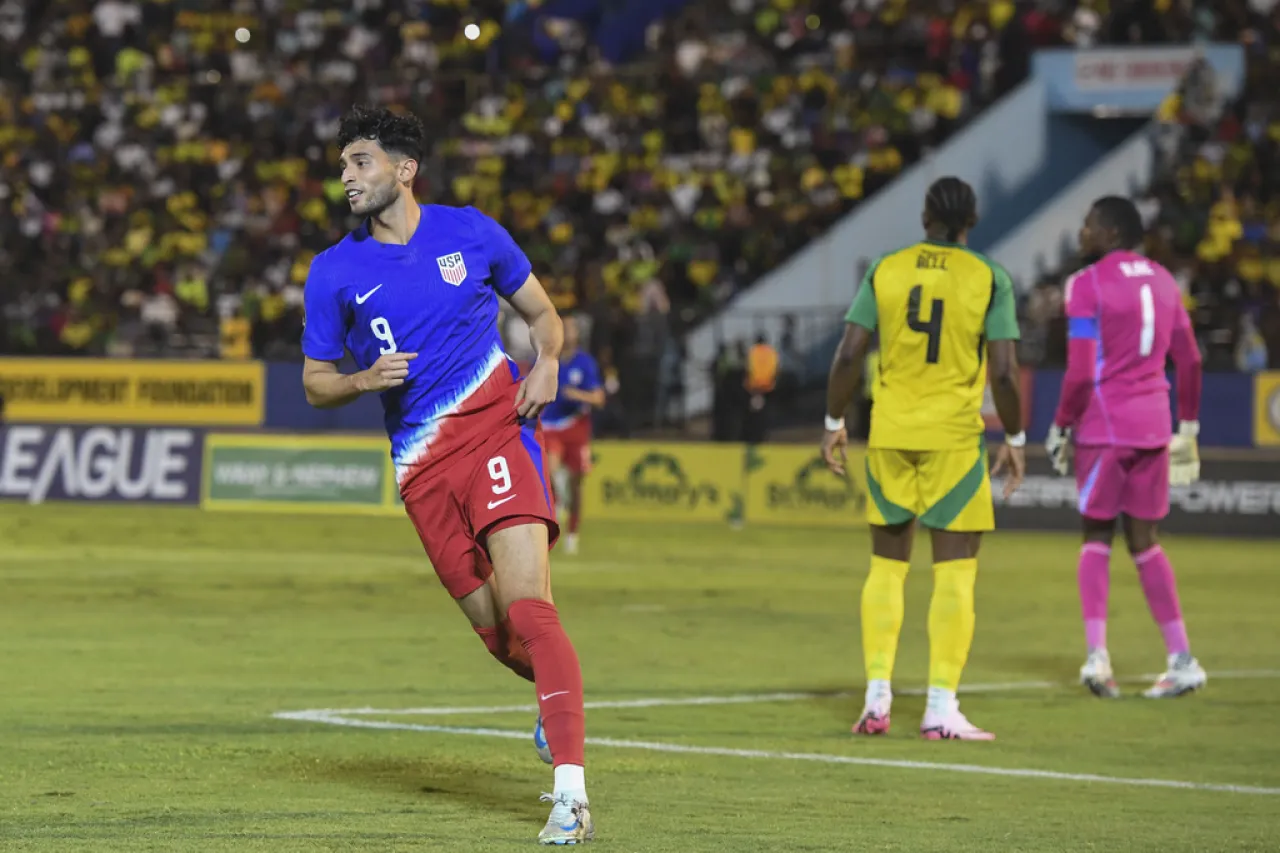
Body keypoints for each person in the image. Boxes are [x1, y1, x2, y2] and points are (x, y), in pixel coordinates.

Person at [299, 106, 593, 845]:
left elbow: (543, 315)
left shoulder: (471, 231)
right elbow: (313, 381)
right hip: (422, 471)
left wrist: (548, 359)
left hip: (497, 433)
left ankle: (570, 794)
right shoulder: (333, 270)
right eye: (342, 165)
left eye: (360, 162)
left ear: (404, 170)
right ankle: (556, 703)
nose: (346, 177)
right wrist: (365, 380)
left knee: (530, 610)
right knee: (500, 639)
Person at [821, 176, 1025, 741]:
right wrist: (1017, 437)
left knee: (887, 567)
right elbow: (1005, 372)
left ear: (925, 217)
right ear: (971, 221)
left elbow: (848, 354)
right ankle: (939, 708)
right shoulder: (989, 277)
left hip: (890, 431)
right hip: (955, 439)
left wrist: (835, 423)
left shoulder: (886, 268)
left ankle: (876, 699)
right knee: (955, 571)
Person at [1045, 195, 1206, 700]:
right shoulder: (1164, 281)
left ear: (1111, 231)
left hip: (1104, 426)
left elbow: (1078, 370)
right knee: (1146, 541)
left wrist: (1061, 424)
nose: (1082, 234)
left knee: (1095, 535)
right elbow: (1192, 360)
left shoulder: (1086, 285)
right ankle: (1182, 660)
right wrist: (1190, 426)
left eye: (1089, 225)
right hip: (1155, 426)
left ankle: (1097, 658)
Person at [541, 315, 604, 555]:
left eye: (570, 329)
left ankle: (572, 534)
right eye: (562, 329)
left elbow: (598, 398)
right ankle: (558, 500)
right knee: (550, 469)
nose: (566, 333)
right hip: (550, 425)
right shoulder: (547, 358)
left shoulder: (585, 363)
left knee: (578, 484)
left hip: (576, 427)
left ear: (577, 334)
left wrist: (576, 395)